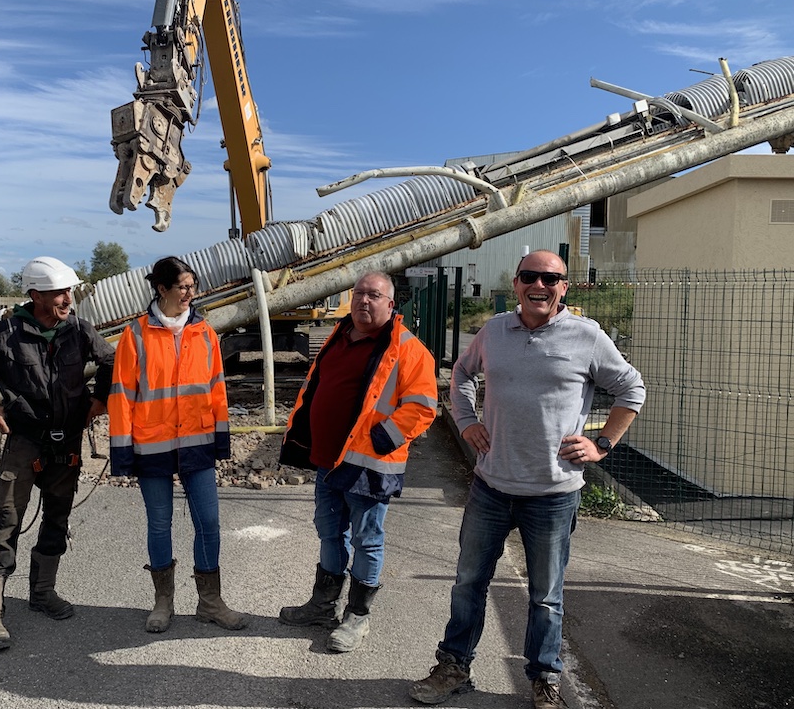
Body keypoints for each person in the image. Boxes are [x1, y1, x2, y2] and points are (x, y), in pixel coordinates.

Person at [409, 250, 646, 709]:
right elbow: (460, 373)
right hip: (490, 488)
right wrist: (465, 420)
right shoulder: (495, 330)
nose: (540, 285)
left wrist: (602, 445)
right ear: (516, 284)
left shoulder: (587, 337)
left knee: (546, 598)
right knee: (468, 584)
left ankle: (543, 678)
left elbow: (632, 388)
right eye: (530, 277)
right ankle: (454, 666)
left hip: (553, 496)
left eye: (550, 278)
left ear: (564, 287)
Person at [0, 255, 115, 654]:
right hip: (25, 440)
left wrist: (100, 399)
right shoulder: (4, 333)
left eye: (69, 292)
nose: (67, 299)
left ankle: (43, 593)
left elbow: (111, 360)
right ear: (35, 295)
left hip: (67, 442)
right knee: (7, 519)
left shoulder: (78, 330)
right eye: (59, 293)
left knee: (58, 515)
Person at [278, 270, 438, 653]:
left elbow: (422, 406)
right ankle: (322, 606)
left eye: (374, 296)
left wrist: (382, 439)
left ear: (390, 303)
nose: (364, 301)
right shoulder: (340, 336)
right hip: (328, 461)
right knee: (329, 533)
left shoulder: (407, 348)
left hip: (368, 464)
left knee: (367, 540)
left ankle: (357, 617)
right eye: (359, 294)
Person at [107, 256, 246, 632]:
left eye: (192, 285)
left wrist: (220, 439)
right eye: (182, 286)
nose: (189, 293)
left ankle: (210, 602)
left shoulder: (206, 333)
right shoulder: (135, 334)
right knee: (159, 524)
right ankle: (162, 602)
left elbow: (217, 389)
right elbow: (121, 395)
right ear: (161, 289)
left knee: (210, 523)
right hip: (151, 444)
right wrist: (121, 453)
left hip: (197, 442)